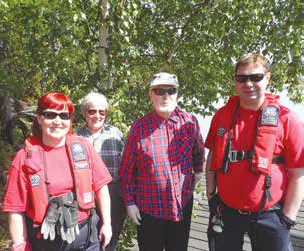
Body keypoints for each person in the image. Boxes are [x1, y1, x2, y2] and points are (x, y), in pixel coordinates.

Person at [205, 53, 304, 251]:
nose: (248, 83)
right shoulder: (222, 115)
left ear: (268, 78)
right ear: (235, 81)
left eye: (255, 77)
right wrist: (210, 196)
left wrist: (288, 217)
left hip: (271, 215)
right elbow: (212, 158)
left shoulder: (288, 119)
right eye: (241, 78)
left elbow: (298, 173)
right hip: (226, 212)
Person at [2, 92, 113, 251]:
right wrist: (20, 244)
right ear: (40, 118)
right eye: (50, 115)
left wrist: (107, 224)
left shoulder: (83, 148)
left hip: (87, 238)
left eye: (64, 116)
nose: (57, 121)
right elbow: (15, 208)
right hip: (48, 240)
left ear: (70, 120)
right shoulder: (24, 158)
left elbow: (101, 188)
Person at [120, 72, 205, 251]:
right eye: (159, 91)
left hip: (181, 206)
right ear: (151, 94)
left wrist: (196, 175)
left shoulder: (190, 122)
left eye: (171, 90)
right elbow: (127, 170)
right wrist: (130, 203)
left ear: (177, 95)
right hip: (149, 208)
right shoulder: (139, 127)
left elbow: (199, 154)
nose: (166, 95)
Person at [75, 92, 126, 251]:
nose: (97, 115)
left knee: (111, 236)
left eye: (101, 112)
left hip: (114, 191)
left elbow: (125, 163)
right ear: (84, 113)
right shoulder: (75, 137)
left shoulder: (115, 134)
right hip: (86, 195)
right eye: (92, 111)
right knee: (89, 236)